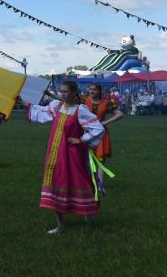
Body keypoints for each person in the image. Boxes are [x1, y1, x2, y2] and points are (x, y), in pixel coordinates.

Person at [25, 82, 105, 234]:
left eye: (66, 91)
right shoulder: (57, 106)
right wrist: (26, 103)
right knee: (55, 181)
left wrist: (80, 140)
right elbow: (41, 113)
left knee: (81, 181)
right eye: (61, 91)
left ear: (74, 92)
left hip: (72, 154)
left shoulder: (80, 110)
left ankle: (88, 214)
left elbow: (98, 128)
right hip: (55, 153)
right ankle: (60, 224)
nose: (62, 94)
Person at [84, 83, 124, 188]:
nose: (92, 91)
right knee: (85, 158)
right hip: (86, 132)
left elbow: (120, 114)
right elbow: (65, 100)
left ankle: (100, 183)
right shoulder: (83, 101)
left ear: (99, 91)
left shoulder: (106, 103)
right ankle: (87, 181)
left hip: (101, 133)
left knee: (101, 158)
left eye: (94, 89)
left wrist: (105, 122)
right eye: (90, 89)